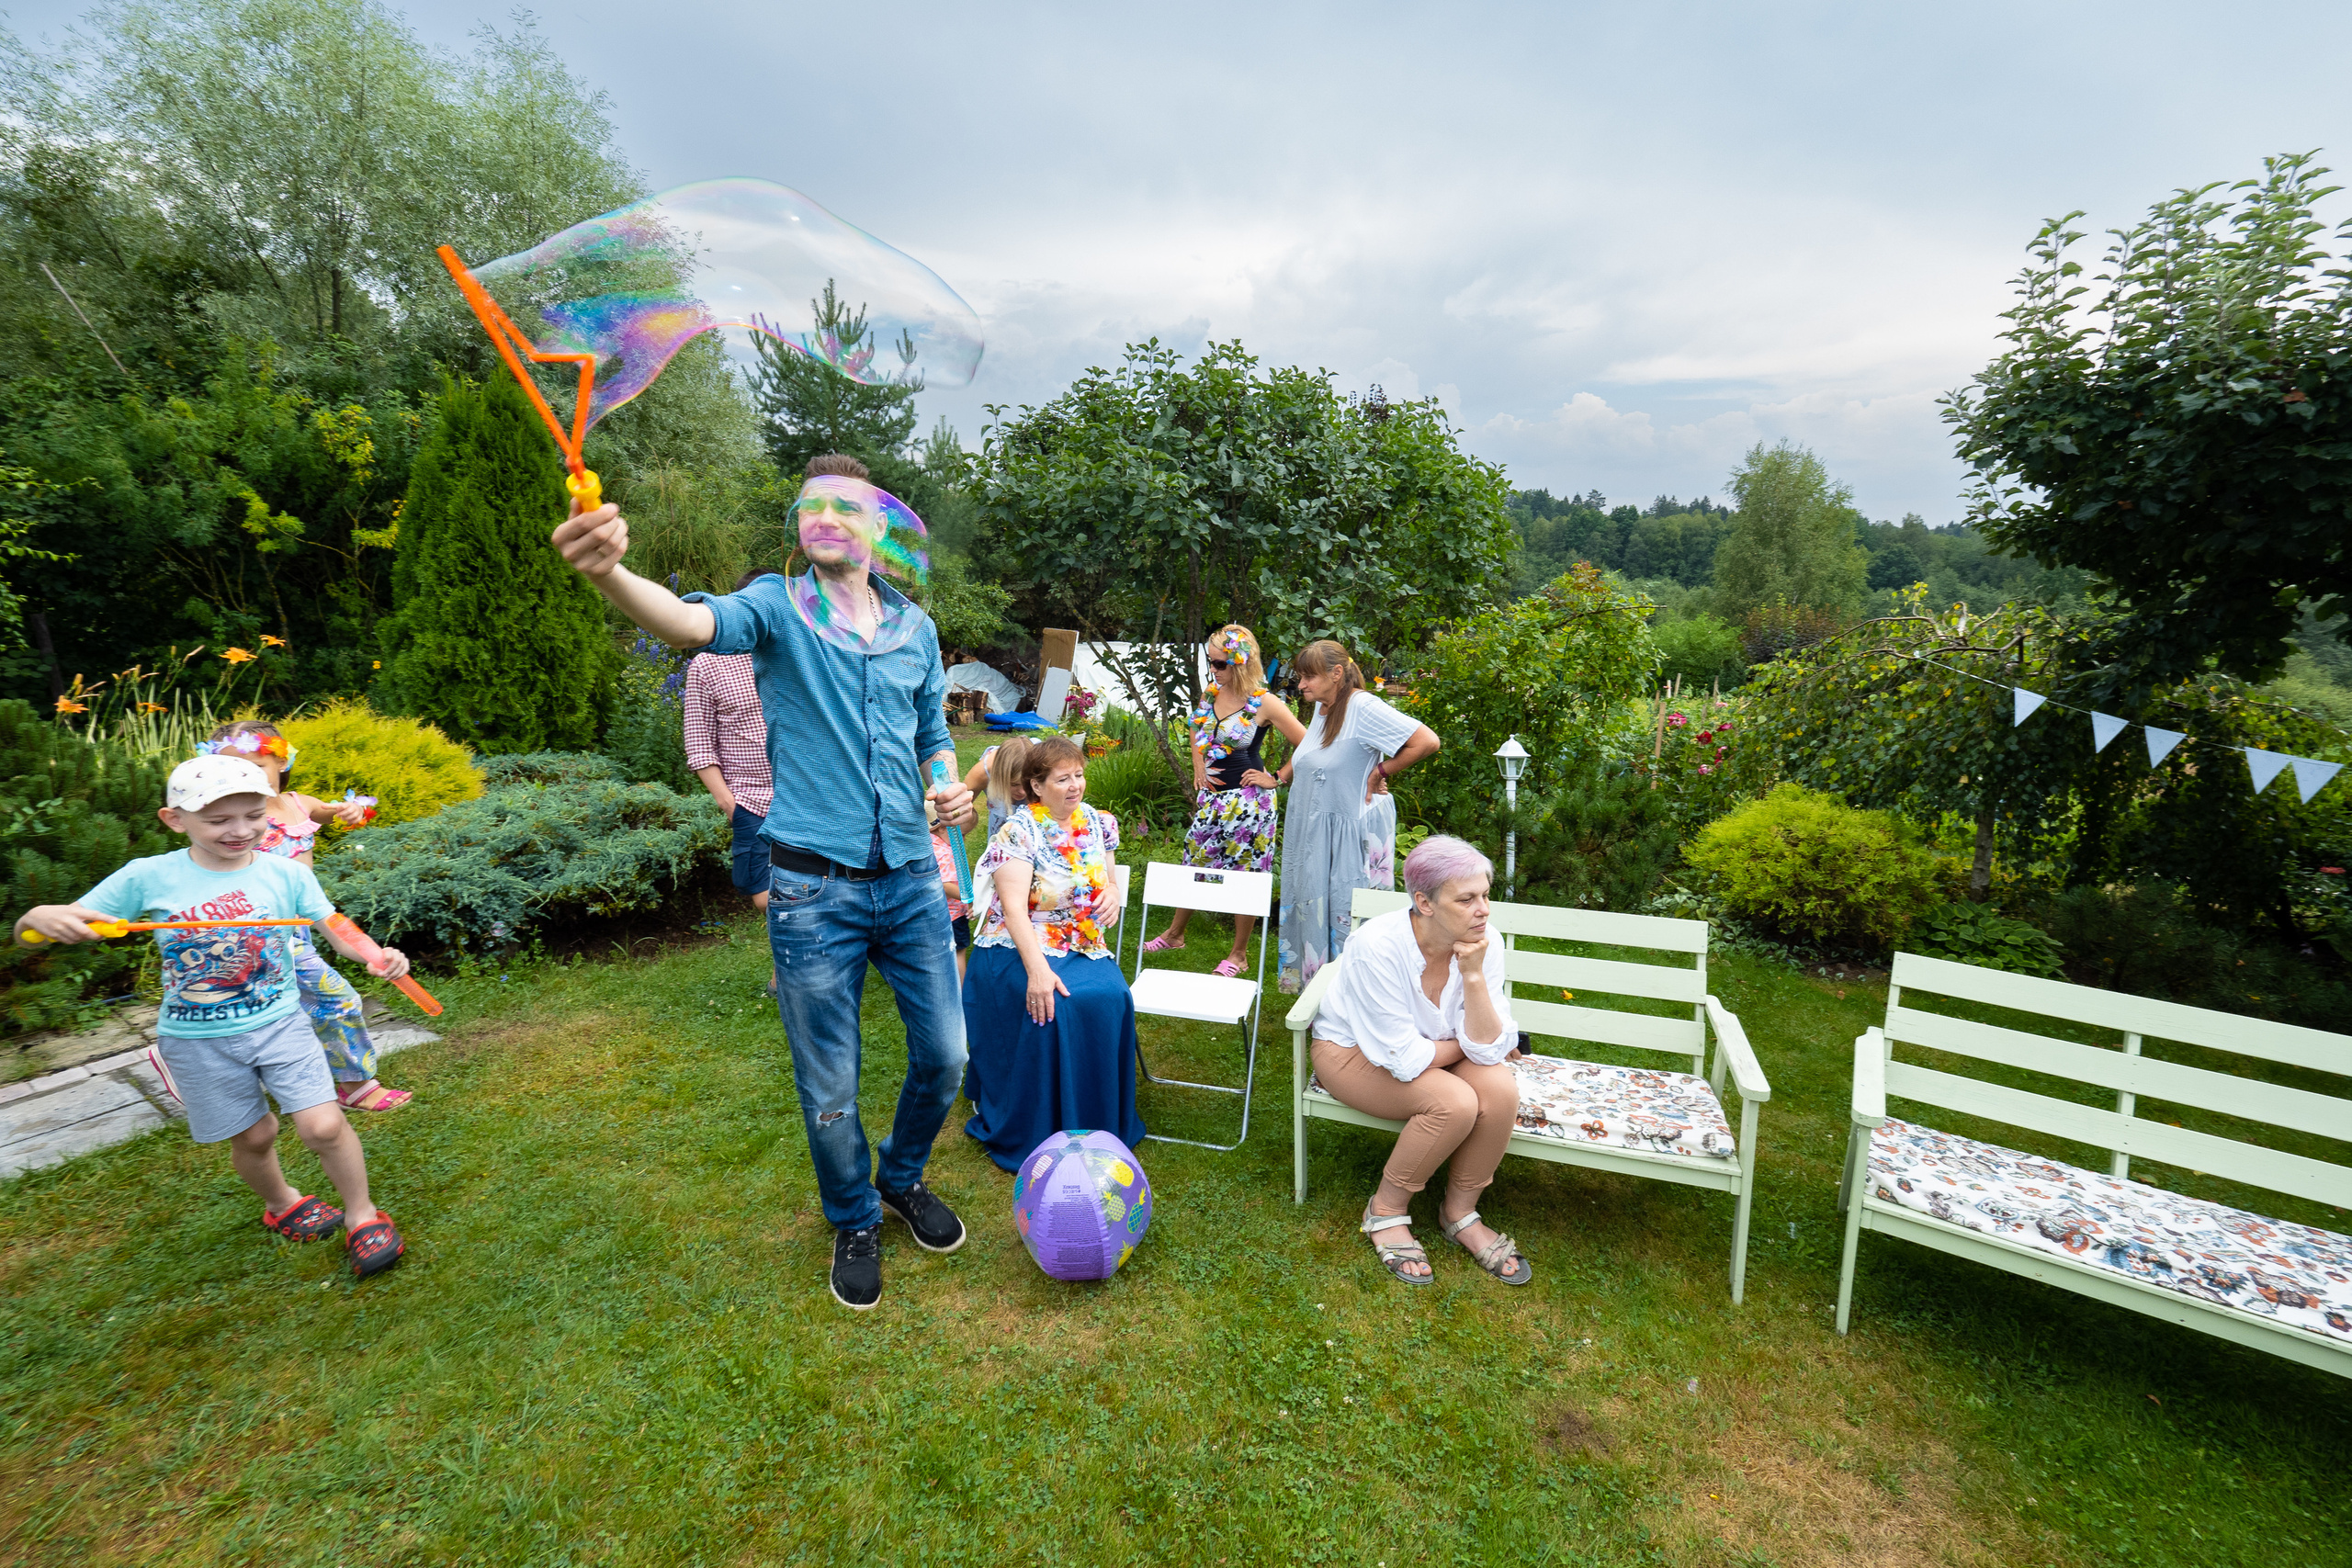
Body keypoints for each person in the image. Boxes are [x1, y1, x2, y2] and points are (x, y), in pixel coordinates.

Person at [552, 453, 975, 1312]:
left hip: (909, 878)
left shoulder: (916, 629)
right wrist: (610, 574)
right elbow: (688, 623)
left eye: (845, 506)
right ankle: (854, 1215)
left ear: (879, 527)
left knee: (947, 1055)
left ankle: (901, 1175)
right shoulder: (777, 608)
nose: (824, 517)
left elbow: (932, 731)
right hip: (813, 892)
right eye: (810, 505)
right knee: (831, 1089)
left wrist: (948, 782)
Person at [14, 755, 411, 1277]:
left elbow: (335, 926)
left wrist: (376, 955)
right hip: (197, 1040)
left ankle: (362, 1216)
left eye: (254, 815)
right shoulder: (147, 876)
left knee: (324, 1126)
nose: (241, 830)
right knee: (255, 1136)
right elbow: (40, 931)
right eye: (219, 820)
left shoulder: (287, 873)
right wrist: (37, 916)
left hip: (281, 1025)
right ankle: (282, 1204)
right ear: (175, 819)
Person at [1307, 835, 1531, 1288]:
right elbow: (1406, 1059)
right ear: (1424, 903)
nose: (1483, 910)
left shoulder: (1485, 942)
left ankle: (1460, 1213)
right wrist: (1474, 1042)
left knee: (1501, 1090)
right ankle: (1386, 1209)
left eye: (1485, 895)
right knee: (1453, 1103)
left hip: (1435, 1046)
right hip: (1352, 1053)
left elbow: (1489, 1050)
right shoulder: (1377, 945)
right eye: (1466, 899)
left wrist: (1472, 975)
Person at [202, 721, 405, 1112]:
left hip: (302, 926)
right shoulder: (234, 824)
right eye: (228, 770)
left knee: (259, 1008)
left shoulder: (299, 803)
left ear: (282, 762)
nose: (242, 778)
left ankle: (189, 1055)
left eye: (254, 767)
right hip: (259, 934)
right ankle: (355, 1085)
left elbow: (334, 814)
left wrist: (351, 809)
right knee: (336, 998)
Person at [960, 736, 1143, 1168]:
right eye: (1063, 779)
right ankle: (1039, 1121)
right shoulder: (1018, 832)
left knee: (1112, 996)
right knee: (1057, 1004)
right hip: (1014, 943)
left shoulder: (1098, 823)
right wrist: (1038, 971)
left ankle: (1100, 1118)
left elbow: (1109, 878)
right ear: (1036, 786)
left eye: (1078, 775)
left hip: (1079, 939)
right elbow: (1013, 911)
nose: (1075, 785)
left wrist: (1113, 892)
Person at [1275, 640, 1441, 992]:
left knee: (1348, 913)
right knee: (1313, 906)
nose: (1301, 685)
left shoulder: (1363, 707)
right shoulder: (1324, 709)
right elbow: (1316, 758)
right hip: (1313, 831)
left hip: (1346, 837)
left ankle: (1356, 995)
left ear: (1336, 673)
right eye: (1300, 677)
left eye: (1308, 677)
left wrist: (1380, 771)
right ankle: (1320, 993)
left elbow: (1427, 741)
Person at [1140, 626, 1306, 976]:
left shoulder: (1265, 702)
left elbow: (1308, 744)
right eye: (1210, 662)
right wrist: (1199, 764)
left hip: (1250, 804)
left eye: (1220, 663)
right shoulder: (1212, 692)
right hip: (1212, 800)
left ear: (1240, 662)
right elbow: (1195, 726)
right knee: (1194, 861)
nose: (1213, 670)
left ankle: (1239, 954)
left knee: (1247, 873)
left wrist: (1276, 779)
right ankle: (1175, 934)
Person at [683, 574, 780, 996]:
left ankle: (789, 971)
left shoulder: (793, 652)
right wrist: (728, 803)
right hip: (750, 800)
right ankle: (804, 957)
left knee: (813, 886)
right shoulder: (707, 664)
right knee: (760, 892)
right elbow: (698, 742)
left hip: (804, 793)